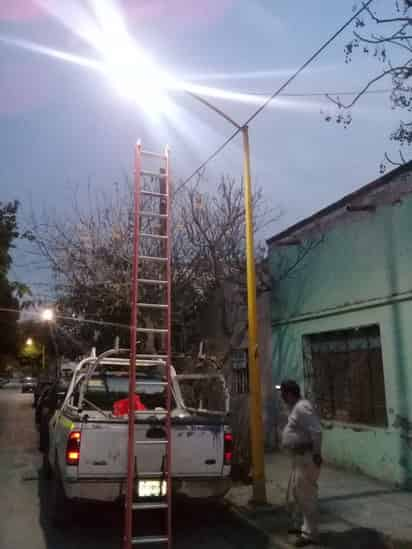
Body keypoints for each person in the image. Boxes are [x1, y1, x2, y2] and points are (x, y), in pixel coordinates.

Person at [280, 380, 322, 547]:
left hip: (307, 458)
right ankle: (304, 528)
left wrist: (317, 453)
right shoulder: (297, 407)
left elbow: (317, 431)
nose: (281, 396)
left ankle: (311, 534)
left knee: (307, 496)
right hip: (300, 458)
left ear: (289, 394)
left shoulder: (302, 407)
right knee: (299, 494)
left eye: (283, 393)